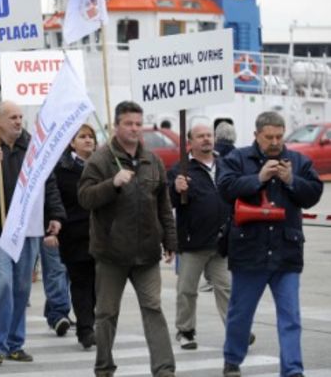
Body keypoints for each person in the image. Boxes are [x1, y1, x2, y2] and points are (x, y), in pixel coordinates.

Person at [218, 111, 322, 377]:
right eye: (269, 137)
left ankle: (292, 370)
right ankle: (232, 358)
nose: (275, 142)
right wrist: (258, 178)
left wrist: (291, 180)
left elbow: (313, 194)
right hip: (249, 251)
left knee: (290, 318)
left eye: (279, 136)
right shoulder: (237, 158)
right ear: (256, 135)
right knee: (241, 313)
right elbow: (225, 188)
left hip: (286, 252)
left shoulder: (298, 161)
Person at [78, 101, 177, 377]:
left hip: (147, 253)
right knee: (106, 314)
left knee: (153, 308)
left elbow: (164, 205)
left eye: (138, 123)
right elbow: (85, 198)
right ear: (116, 125)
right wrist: (113, 184)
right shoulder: (100, 159)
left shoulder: (153, 160)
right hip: (111, 253)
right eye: (128, 123)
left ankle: (164, 370)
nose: (134, 128)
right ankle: (104, 368)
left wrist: (170, 239)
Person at [0, 101, 66, 366]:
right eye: (12, 117)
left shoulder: (33, 148)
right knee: (2, 285)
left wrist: (55, 215)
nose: (18, 121)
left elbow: (49, 183)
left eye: (20, 116)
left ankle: (14, 343)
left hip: (27, 228)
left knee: (21, 288)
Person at [168, 124, 242, 350]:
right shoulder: (180, 169)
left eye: (209, 135)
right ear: (190, 141)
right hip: (193, 242)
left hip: (220, 241)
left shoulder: (225, 164)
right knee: (187, 290)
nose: (206, 139)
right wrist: (175, 189)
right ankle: (186, 331)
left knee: (226, 288)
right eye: (200, 136)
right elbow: (166, 202)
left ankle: (236, 331)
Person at [54, 124, 98, 349]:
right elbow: (56, 200)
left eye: (91, 136)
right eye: (82, 137)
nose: (88, 140)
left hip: (102, 236)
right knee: (81, 283)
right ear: (72, 143)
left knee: (99, 285)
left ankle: (91, 322)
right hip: (75, 235)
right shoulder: (63, 168)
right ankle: (85, 329)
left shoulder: (104, 165)